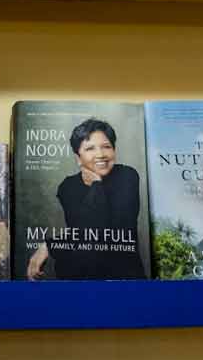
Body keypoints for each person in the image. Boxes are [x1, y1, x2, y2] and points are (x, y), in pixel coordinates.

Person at [27, 119, 146, 280]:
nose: (101, 154)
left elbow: (111, 233)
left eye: (106, 147)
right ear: (78, 158)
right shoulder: (68, 186)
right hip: (77, 280)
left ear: (114, 150)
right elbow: (84, 234)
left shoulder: (127, 176)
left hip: (122, 280)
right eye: (90, 148)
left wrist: (96, 184)